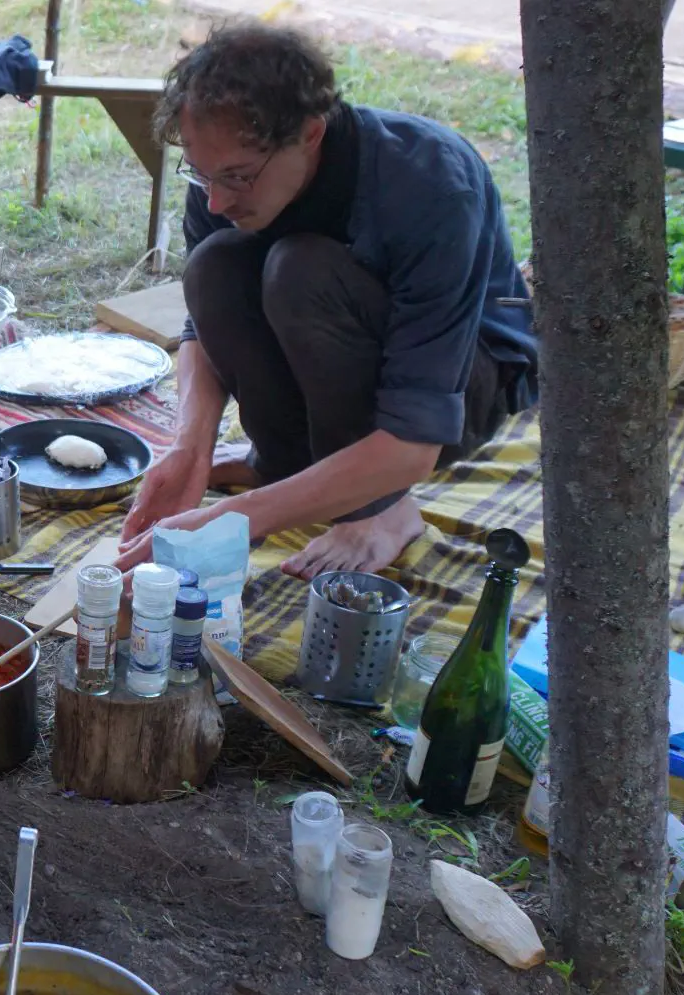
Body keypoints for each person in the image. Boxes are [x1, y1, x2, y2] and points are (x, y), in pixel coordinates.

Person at [118, 23, 536, 579]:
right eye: (201, 174)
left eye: (238, 177)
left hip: (462, 390)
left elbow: (415, 439)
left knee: (300, 270)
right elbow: (204, 324)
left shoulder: (431, 184)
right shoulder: (221, 183)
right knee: (216, 262)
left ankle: (380, 508)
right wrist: (190, 448)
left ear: (311, 133)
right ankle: (289, 467)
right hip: (347, 373)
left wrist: (240, 518)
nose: (217, 199)